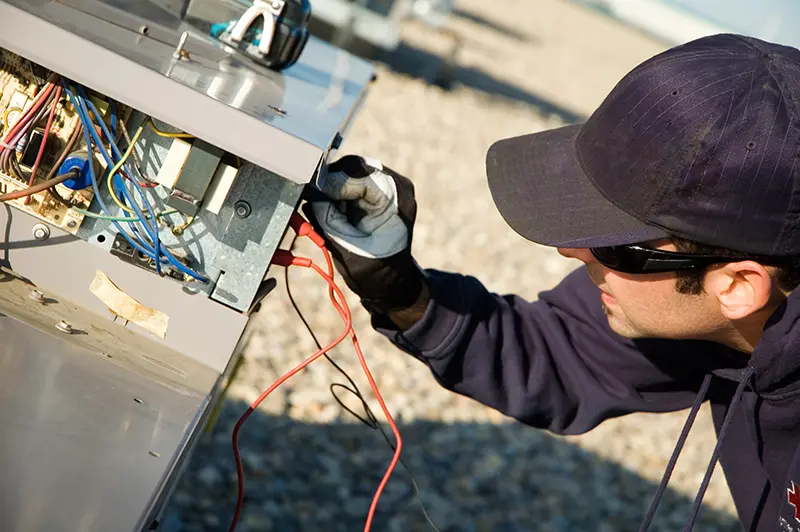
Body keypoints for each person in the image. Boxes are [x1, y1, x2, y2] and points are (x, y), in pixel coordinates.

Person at [304, 33, 800, 532]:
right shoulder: (710, 305)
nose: (571, 249)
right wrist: (401, 292)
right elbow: (561, 352)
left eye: (615, 243)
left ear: (737, 286)